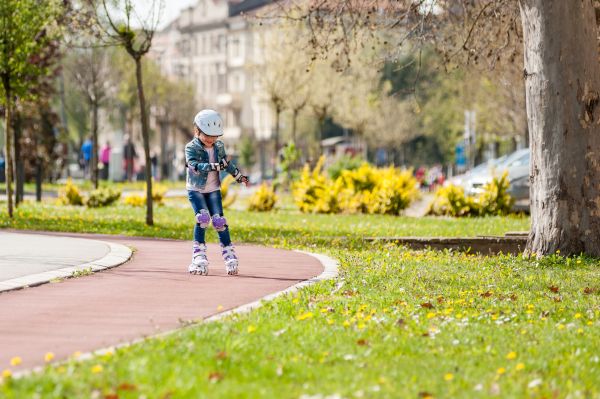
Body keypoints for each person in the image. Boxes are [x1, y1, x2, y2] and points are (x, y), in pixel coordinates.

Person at [185, 109, 249, 276]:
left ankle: (229, 255)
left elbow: (226, 164)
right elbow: (194, 166)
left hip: (213, 189)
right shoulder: (190, 147)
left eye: (215, 136)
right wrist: (215, 166)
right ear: (196, 130)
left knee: (219, 221)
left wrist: (239, 177)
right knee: (203, 218)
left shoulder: (218, 146)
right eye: (207, 135)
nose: (211, 139)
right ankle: (198, 256)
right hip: (196, 189)